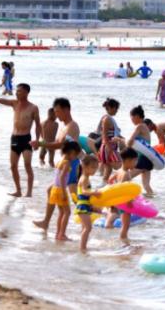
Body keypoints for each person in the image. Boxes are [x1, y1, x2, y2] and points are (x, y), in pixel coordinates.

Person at [0, 82, 41, 197]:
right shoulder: (14, 103)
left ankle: (29, 192)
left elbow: (38, 125)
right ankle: (18, 191)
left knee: (27, 165)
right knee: (13, 166)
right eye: (16, 91)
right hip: (15, 138)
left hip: (26, 139)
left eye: (19, 91)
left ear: (27, 92)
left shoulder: (33, 108)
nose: (17, 93)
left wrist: (37, 140)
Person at [31, 98, 82, 232]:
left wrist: (41, 143)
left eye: (58, 112)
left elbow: (61, 145)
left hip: (71, 165)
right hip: (65, 165)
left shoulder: (72, 126)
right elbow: (58, 143)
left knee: (74, 198)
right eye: (55, 112)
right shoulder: (63, 126)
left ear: (66, 110)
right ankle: (47, 223)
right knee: (58, 193)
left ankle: (91, 220)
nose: (56, 115)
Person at [38, 140, 80, 242]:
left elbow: (58, 177)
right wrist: (64, 192)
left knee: (62, 212)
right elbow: (61, 178)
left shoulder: (60, 161)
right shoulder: (67, 163)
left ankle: (58, 234)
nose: (75, 158)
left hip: (54, 189)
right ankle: (62, 234)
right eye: (76, 155)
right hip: (60, 189)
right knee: (67, 212)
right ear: (71, 153)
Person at [103, 147, 139, 242]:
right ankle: (123, 239)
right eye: (135, 161)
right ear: (128, 160)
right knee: (125, 225)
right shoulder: (126, 174)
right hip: (124, 202)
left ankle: (109, 224)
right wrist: (130, 201)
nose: (136, 163)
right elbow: (123, 189)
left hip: (117, 200)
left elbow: (110, 181)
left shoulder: (119, 171)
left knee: (115, 214)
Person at [125, 105, 156, 196]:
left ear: (137, 116)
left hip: (142, 160)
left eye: (131, 117)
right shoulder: (144, 126)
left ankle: (125, 199)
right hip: (148, 160)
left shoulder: (140, 126)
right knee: (146, 186)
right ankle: (153, 203)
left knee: (125, 178)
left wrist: (126, 152)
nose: (131, 119)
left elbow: (130, 141)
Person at [75, 154, 103, 253]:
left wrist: (93, 207)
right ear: (84, 166)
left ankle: (83, 245)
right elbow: (83, 191)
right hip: (82, 207)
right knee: (88, 228)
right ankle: (82, 248)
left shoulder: (85, 177)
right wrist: (94, 193)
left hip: (85, 206)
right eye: (93, 168)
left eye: (96, 168)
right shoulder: (84, 178)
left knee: (85, 227)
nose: (95, 170)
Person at [96, 98, 123, 180]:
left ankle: (103, 185)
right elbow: (104, 135)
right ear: (111, 108)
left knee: (108, 169)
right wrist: (108, 147)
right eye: (116, 109)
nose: (117, 111)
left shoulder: (109, 118)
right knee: (120, 165)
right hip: (108, 147)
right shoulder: (107, 119)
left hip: (109, 146)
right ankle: (117, 181)